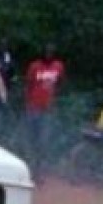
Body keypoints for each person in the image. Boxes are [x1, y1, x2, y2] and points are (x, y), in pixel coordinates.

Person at [23, 43, 65, 180]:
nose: (49, 54)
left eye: (51, 52)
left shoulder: (58, 66)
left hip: (47, 110)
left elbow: (59, 83)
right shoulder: (34, 66)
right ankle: (28, 169)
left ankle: (38, 172)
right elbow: (28, 85)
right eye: (46, 51)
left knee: (43, 142)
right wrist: (28, 104)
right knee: (31, 139)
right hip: (33, 108)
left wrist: (53, 99)